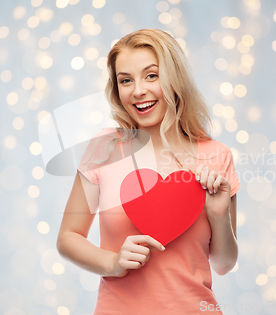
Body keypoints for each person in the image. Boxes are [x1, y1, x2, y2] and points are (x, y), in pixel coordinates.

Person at [57, 29, 241, 314]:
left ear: (174, 78)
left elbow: (224, 264)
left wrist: (219, 217)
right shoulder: (104, 148)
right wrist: (113, 262)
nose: (138, 90)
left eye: (151, 75)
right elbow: (68, 237)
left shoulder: (217, 155)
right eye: (126, 80)